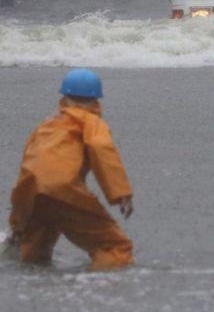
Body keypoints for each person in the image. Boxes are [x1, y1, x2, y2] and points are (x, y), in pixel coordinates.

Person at [8, 68, 134, 271]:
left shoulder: (45, 126)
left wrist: (18, 222)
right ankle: (101, 282)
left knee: (35, 250)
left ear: (63, 99)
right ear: (96, 102)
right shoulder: (91, 121)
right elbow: (101, 148)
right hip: (65, 191)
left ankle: (29, 280)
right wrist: (121, 193)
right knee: (114, 247)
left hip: (33, 193)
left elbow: (28, 168)